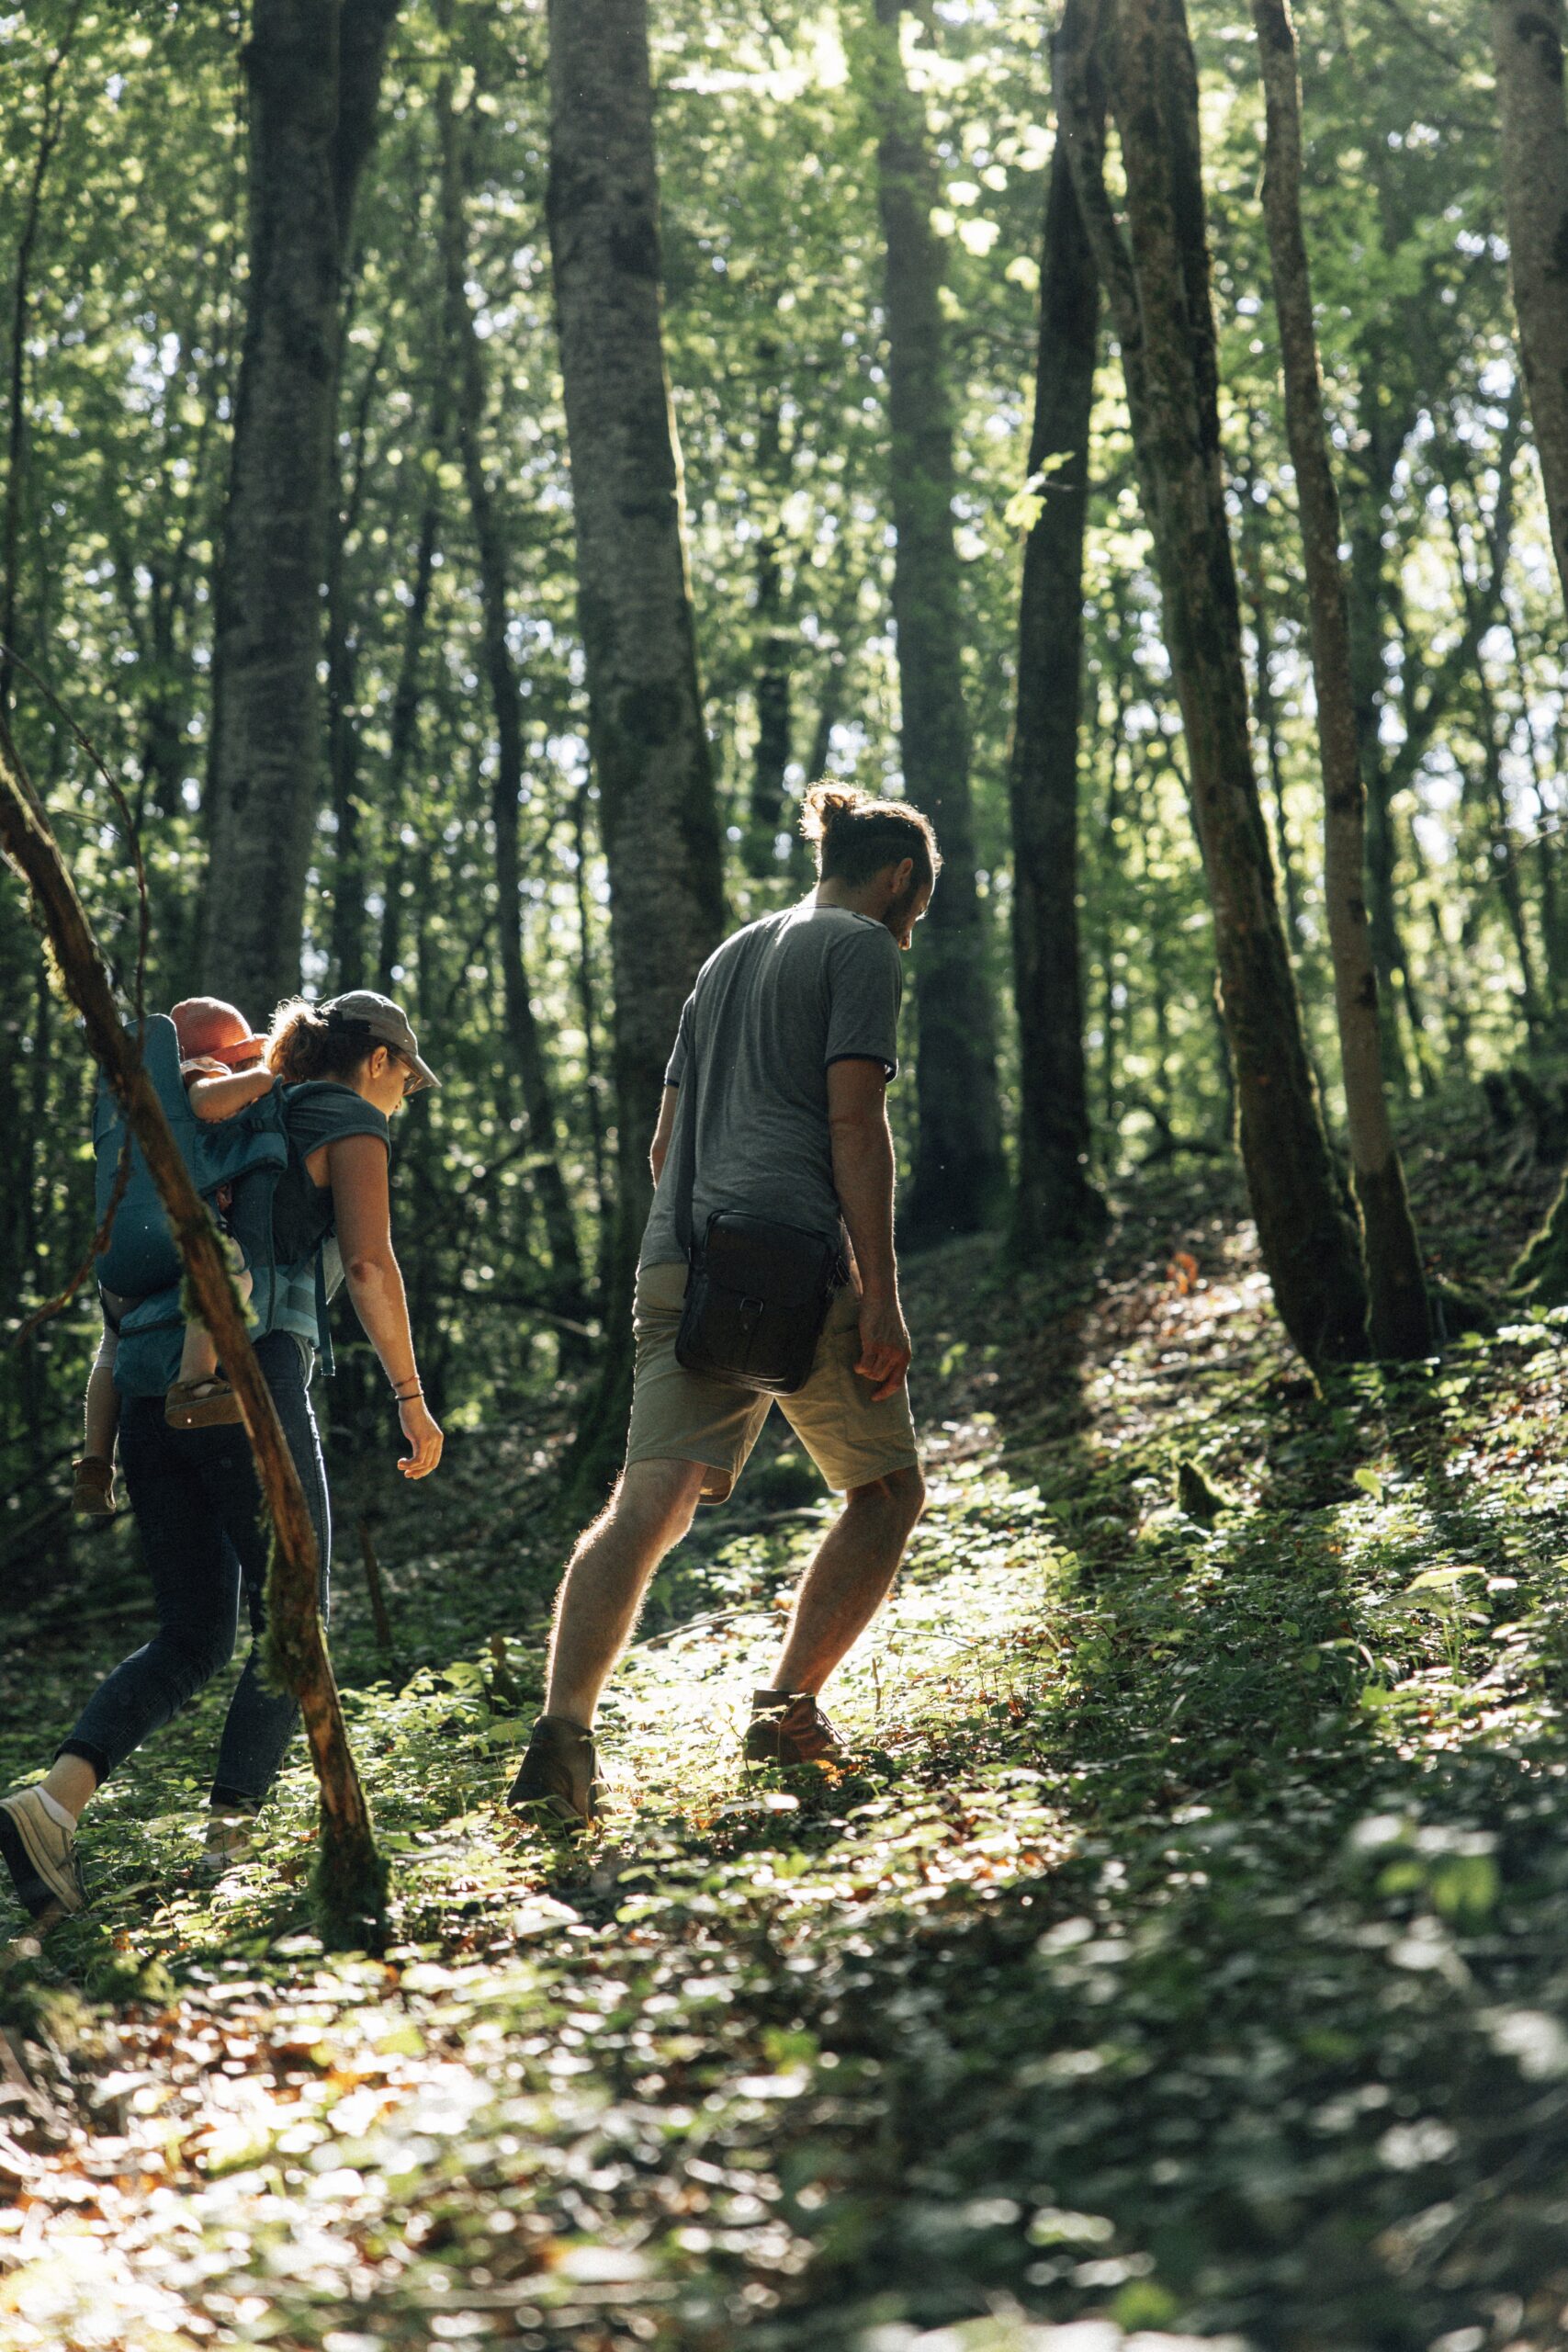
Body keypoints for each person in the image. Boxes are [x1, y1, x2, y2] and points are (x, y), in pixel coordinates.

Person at [506, 783, 935, 1830]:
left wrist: (702, 1239)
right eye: (918, 904)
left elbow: (664, 1147)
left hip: (681, 1258)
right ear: (897, 878)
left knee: (645, 1505)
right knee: (887, 1491)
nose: (912, 926)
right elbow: (854, 1124)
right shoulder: (861, 949)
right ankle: (785, 1713)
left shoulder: (729, 956)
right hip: (790, 1262)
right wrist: (880, 1295)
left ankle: (561, 1739)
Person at [0, 990, 446, 1924]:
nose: (405, 1094)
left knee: (193, 1634)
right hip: (252, 1377)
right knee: (295, 1610)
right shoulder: (343, 1117)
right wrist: (411, 1398)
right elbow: (369, 1264)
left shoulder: (217, 1120)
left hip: (151, 1389)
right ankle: (226, 1853)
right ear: (377, 1060)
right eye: (407, 1077)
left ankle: (49, 1807)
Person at [74, 998, 277, 1519]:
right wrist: (264, 1080)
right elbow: (208, 1103)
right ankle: (193, 1382)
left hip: (120, 1255)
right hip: (177, 1238)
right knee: (232, 1275)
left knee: (111, 1346)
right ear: (221, 1055)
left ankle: (95, 1462)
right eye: (241, 1057)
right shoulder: (197, 1072)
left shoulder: (128, 1103)